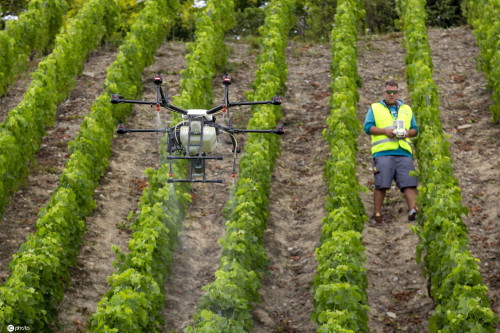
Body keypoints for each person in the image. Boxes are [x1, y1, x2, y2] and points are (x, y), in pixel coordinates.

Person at [364, 80, 419, 224]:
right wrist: (385, 131)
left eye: (394, 92)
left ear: (398, 93)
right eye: (389, 92)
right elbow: (368, 127)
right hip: (383, 152)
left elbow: (415, 129)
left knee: (409, 182)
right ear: (384, 92)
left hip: (403, 152)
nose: (392, 95)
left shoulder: (406, 109)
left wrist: (407, 133)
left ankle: (413, 209)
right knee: (382, 183)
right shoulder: (375, 108)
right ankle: (377, 214)